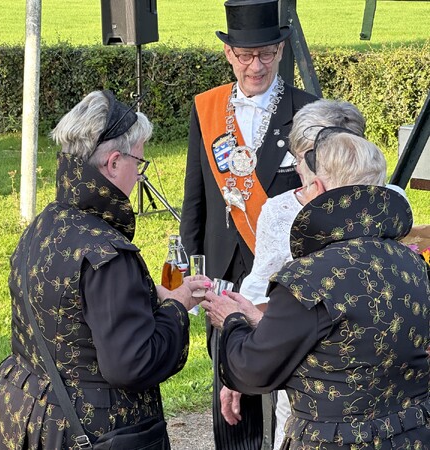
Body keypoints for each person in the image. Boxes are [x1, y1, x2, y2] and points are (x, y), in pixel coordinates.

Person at [0, 90, 206, 450]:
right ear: (114, 163)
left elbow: (70, 313)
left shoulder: (46, 223)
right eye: (139, 163)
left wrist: (149, 295)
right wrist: (176, 305)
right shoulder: (108, 253)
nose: (138, 175)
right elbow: (132, 365)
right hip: (91, 431)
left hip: (29, 417)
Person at [201, 128, 430, 449]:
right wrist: (258, 318)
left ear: (319, 189)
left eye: (305, 185)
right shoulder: (412, 265)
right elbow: (347, 339)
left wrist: (232, 321)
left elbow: (253, 372)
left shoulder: (309, 278)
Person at [179, 0, 318, 448]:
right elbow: (195, 197)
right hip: (223, 262)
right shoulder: (207, 109)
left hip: (284, 269)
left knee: (283, 377)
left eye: (266, 54)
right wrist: (190, 270)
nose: (255, 65)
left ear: (280, 51)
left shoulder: (308, 110)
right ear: (229, 55)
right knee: (229, 375)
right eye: (245, 56)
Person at [219, 99, 367, 449]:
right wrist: (241, 370)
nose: (301, 169)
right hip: (307, 384)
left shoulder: (387, 205)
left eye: (307, 159)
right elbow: (260, 291)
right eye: (301, 158)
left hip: (375, 376)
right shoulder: (281, 210)